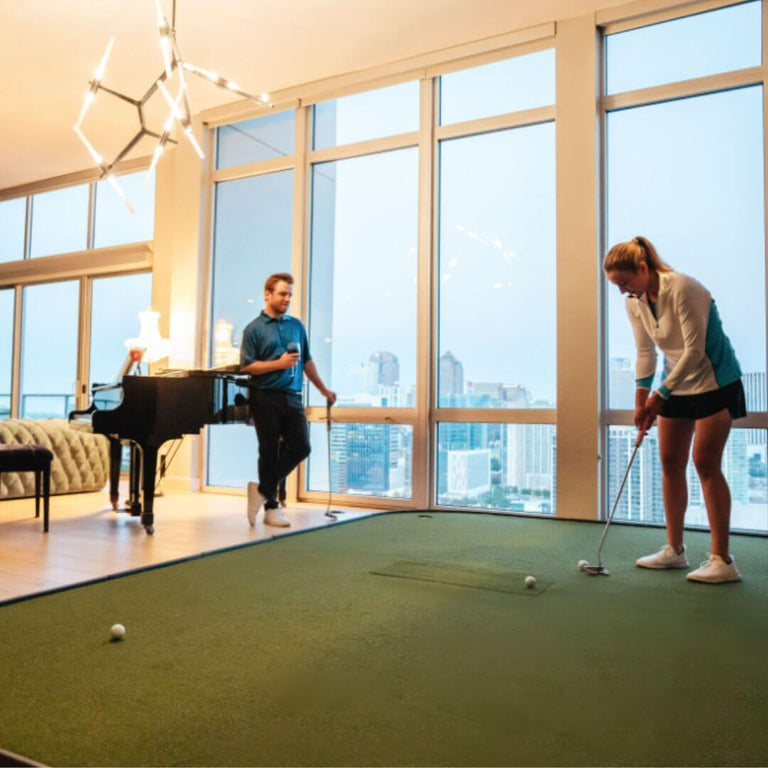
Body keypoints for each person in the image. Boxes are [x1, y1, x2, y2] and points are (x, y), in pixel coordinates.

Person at [604, 236, 746, 584]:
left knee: (705, 463)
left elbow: (694, 351)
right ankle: (675, 550)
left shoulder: (683, 287)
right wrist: (641, 401)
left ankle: (722, 560)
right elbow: (645, 353)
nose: (622, 291)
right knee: (669, 462)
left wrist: (659, 396)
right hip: (677, 384)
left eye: (624, 282)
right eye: (616, 286)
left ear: (642, 268)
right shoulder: (635, 301)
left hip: (716, 381)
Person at [240, 272, 336, 527]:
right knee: (268, 452)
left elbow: (306, 361)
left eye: (290, 295)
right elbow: (247, 367)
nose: (287, 299)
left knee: (301, 447)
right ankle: (271, 507)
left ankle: (261, 490)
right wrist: (278, 364)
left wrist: (324, 390)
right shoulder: (253, 329)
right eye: (283, 294)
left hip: (292, 397)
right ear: (267, 294)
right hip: (264, 397)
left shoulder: (296, 325)